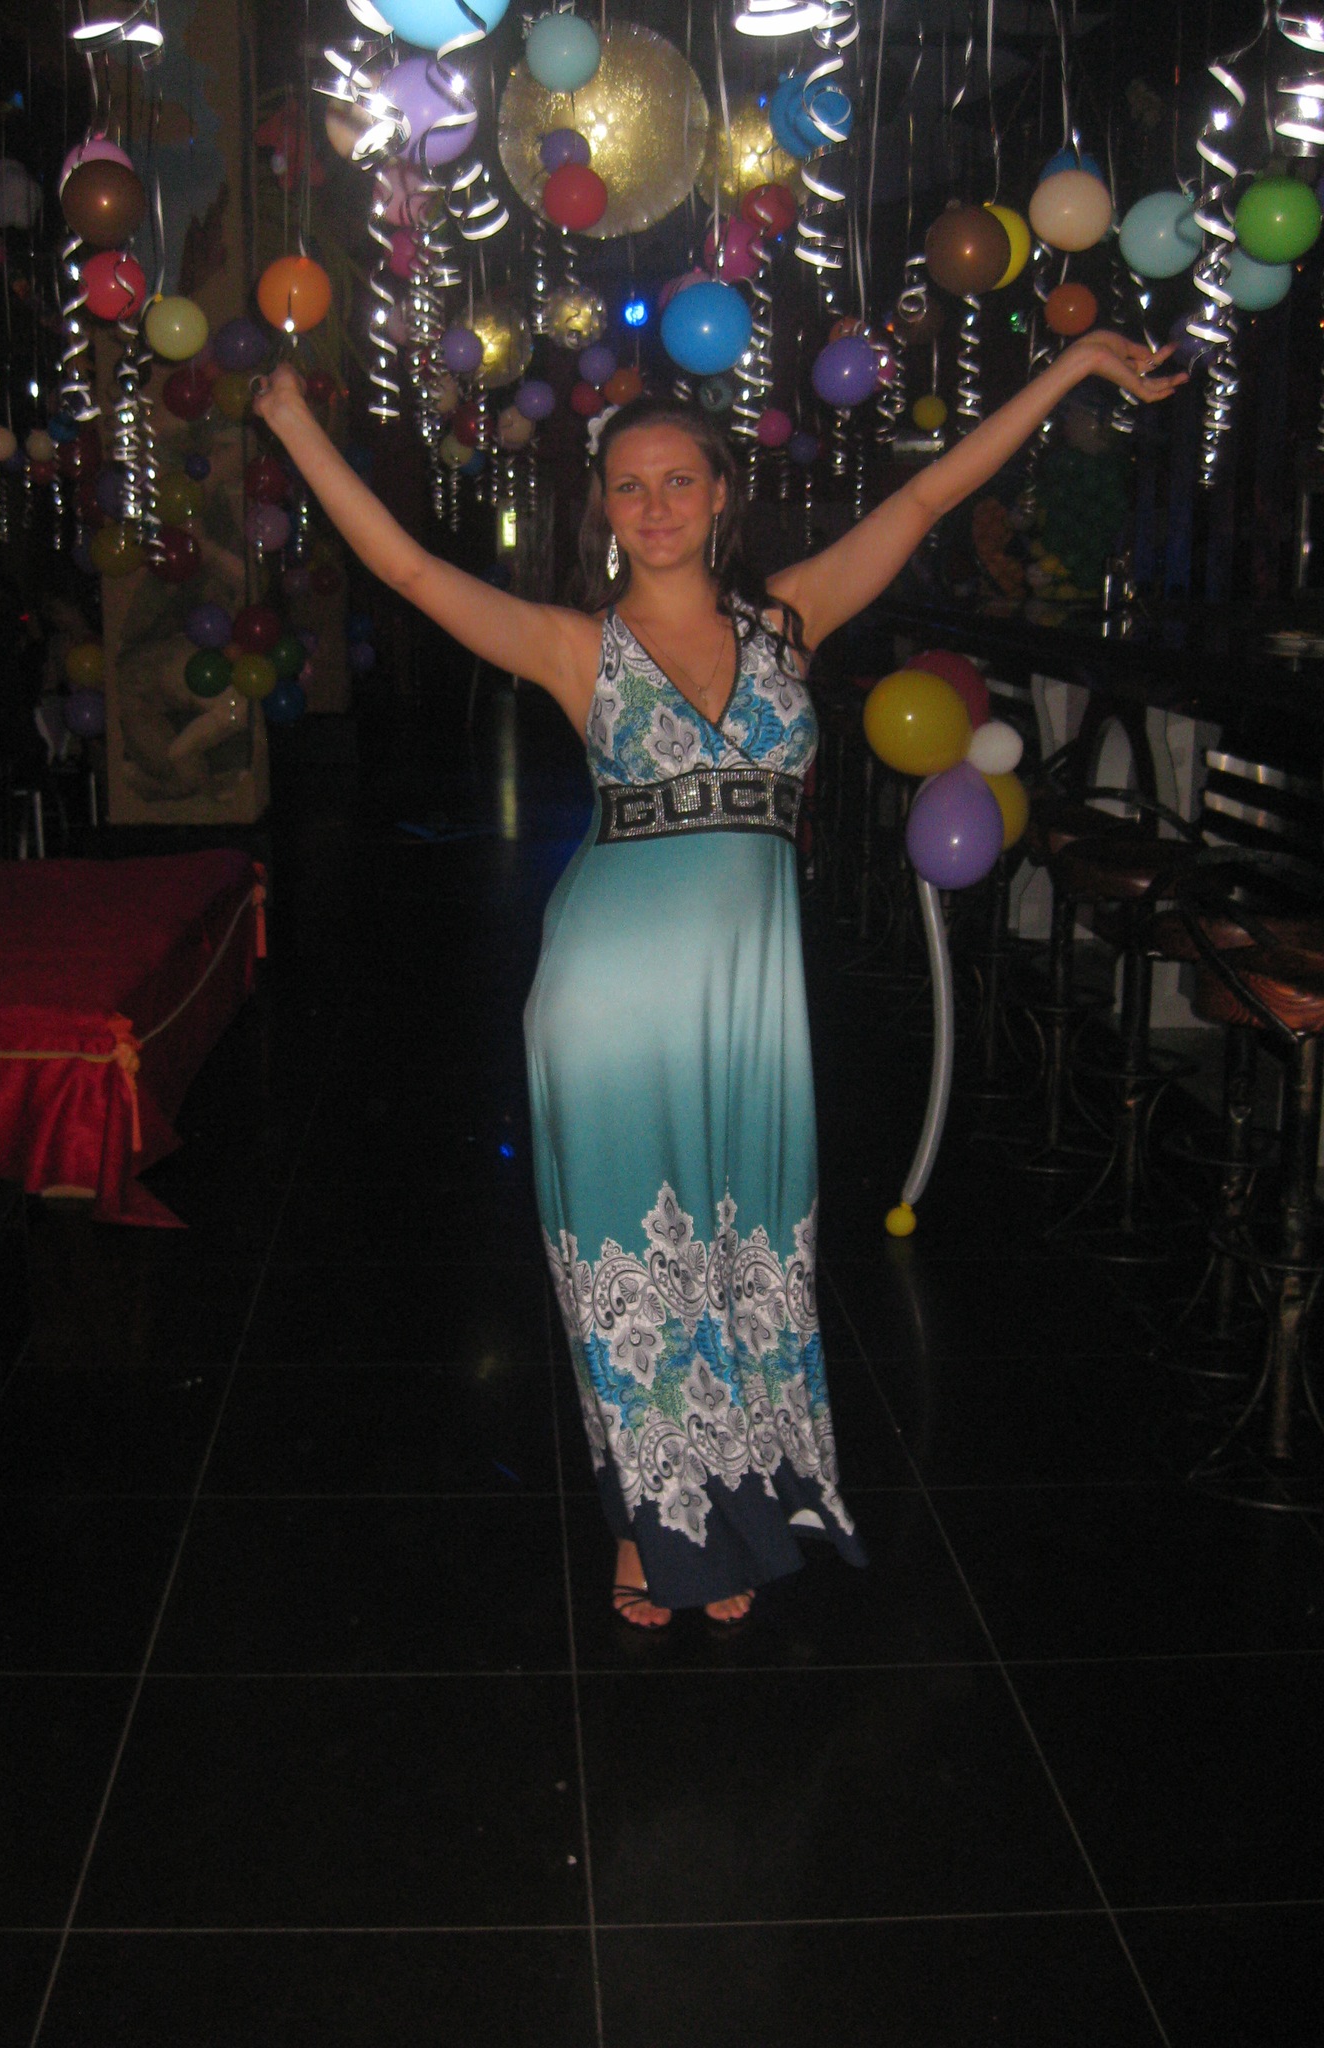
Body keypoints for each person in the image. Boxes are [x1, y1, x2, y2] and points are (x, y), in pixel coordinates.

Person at [254, 330, 1185, 1629]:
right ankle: (655, 1523)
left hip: (747, 1004)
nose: (655, 506)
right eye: (629, 487)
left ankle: (736, 1498)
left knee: (742, 1242)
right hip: (605, 1000)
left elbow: (930, 493)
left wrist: (1074, 365)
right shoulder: (578, 648)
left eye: (678, 480)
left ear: (721, 495)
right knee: (629, 1260)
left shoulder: (791, 621)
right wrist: (292, 423)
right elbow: (408, 568)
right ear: (604, 510)